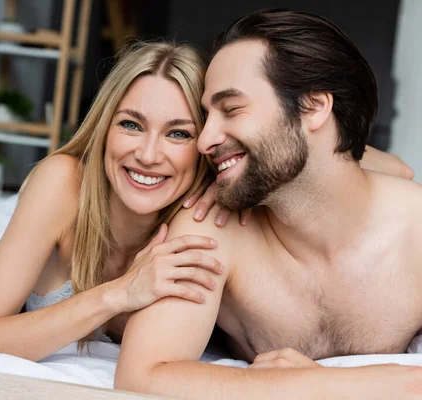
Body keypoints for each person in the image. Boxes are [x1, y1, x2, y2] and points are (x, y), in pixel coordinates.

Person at [115, 9, 422, 399]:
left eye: (232, 109)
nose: (204, 140)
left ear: (313, 108)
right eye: (207, 115)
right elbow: (142, 377)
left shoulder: (416, 231)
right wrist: (320, 384)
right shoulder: (211, 228)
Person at [0, 41, 226, 361]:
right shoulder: (61, 184)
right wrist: (120, 293)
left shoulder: (211, 216)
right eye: (131, 124)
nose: (148, 155)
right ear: (105, 126)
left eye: (178, 133)